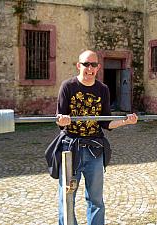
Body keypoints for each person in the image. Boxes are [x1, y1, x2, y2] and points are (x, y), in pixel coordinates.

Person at [56, 50, 138, 225]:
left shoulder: (102, 89)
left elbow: (106, 123)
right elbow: (60, 121)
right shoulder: (67, 86)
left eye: (93, 65)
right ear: (79, 65)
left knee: (96, 200)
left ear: (98, 67)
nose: (90, 68)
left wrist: (125, 121)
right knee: (66, 198)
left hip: (94, 150)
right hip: (71, 149)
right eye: (86, 64)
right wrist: (63, 120)